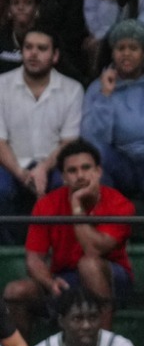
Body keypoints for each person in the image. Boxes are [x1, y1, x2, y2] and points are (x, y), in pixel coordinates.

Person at [5, 140, 134, 333]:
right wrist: (50, 283)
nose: (80, 175)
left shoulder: (119, 204)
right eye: (72, 171)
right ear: (63, 177)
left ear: (98, 171)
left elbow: (93, 250)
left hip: (111, 279)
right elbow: (34, 259)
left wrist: (76, 206)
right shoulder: (47, 205)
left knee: (88, 265)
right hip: (65, 279)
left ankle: (104, 343)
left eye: (86, 168)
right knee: (16, 292)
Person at [80, 18, 144, 201]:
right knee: (92, 161)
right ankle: (105, 224)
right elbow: (92, 139)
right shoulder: (98, 87)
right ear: (112, 53)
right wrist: (105, 97)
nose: (126, 54)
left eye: (133, 48)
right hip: (119, 159)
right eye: (120, 48)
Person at [0, 26, 85, 213]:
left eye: (41, 48)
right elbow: (0, 141)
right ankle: (8, 243)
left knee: (68, 184)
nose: (33, 54)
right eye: (28, 47)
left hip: (55, 164)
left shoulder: (73, 90)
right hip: (10, 164)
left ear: (55, 56)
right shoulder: (1, 85)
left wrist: (43, 168)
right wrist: (21, 173)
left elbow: (69, 142)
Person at [0, 0, 42, 75]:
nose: (21, 7)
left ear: (36, 8)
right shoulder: (2, 37)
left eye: (27, 2)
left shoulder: (47, 38)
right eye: (15, 3)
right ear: (9, 9)